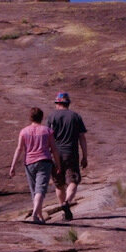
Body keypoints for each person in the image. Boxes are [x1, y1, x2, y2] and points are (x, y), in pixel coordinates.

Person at [8, 107, 61, 224]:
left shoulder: (24, 131)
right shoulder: (47, 131)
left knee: (35, 191)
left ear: (30, 117)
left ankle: (39, 215)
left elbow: (19, 149)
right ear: (41, 117)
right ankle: (35, 215)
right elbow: (54, 149)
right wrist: (58, 164)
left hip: (29, 163)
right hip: (44, 161)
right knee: (40, 190)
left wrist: (13, 166)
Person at [46, 92, 88, 221]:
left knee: (59, 184)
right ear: (68, 103)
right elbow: (82, 138)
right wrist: (85, 156)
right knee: (73, 180)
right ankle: (67, 203)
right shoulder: (75, 116)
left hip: (55, 154)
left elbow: (48, 136)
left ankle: (63, 208)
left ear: (58, 103)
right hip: (71, 153)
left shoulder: (52, 116)